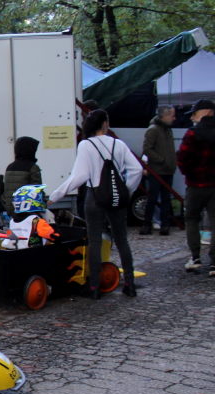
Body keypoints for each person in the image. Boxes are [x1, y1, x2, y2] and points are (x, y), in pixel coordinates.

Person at [50, 109, 142, 298]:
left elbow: (80, 176)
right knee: (122, 240)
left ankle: (94, 287)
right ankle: (130, 284)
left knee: (95, 241)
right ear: (105, 124)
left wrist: (56, 195)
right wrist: (127, 190)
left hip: (95, 196)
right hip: (117, 197)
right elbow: (137, 169)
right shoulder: (119, 144)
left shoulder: (86, 145)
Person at [176, 99, 215, 275]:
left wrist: (189, 174)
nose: (192, 117)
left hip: (195, 185)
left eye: (194, 113)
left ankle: (195, 257)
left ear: (205, 112)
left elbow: (182, 158)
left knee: (192, 219)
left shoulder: (192, 133)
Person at [140, 106, 178, 235]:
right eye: (172, 115)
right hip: (157, 171)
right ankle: (147, 224)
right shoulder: (153, 130)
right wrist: (162, 160)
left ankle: (164, 224)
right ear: (164, 116)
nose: (174, 118)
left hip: (167, 170)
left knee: (165, 199)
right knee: (153, 198)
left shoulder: (167, 129)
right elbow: (147, 149)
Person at [1, 184, 58, 250]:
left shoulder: (12, 221)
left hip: (12, 252)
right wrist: (53, 224)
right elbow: (54, 237)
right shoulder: (36, 221)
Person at [2, 137, 43, 216]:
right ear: (30, 151)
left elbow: (6, 191)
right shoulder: (33, 167)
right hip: (27, 211)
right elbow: (37, 192)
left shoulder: (9, 167)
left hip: (11, 210)